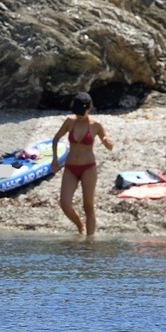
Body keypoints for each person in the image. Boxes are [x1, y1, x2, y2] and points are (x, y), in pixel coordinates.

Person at [52, 91, 114, 236]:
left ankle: (89, 242)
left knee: (88, 207)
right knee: (65, 204)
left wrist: (107, 142)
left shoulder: (95, 125)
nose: (79, 115)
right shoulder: (69, 121)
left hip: (88, 168)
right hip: (70, 167)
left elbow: (109, 145)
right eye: (77, 112)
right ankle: (80, 226)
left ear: (90, 109)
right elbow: (55, 139)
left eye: (82, 112)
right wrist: (54, 160)